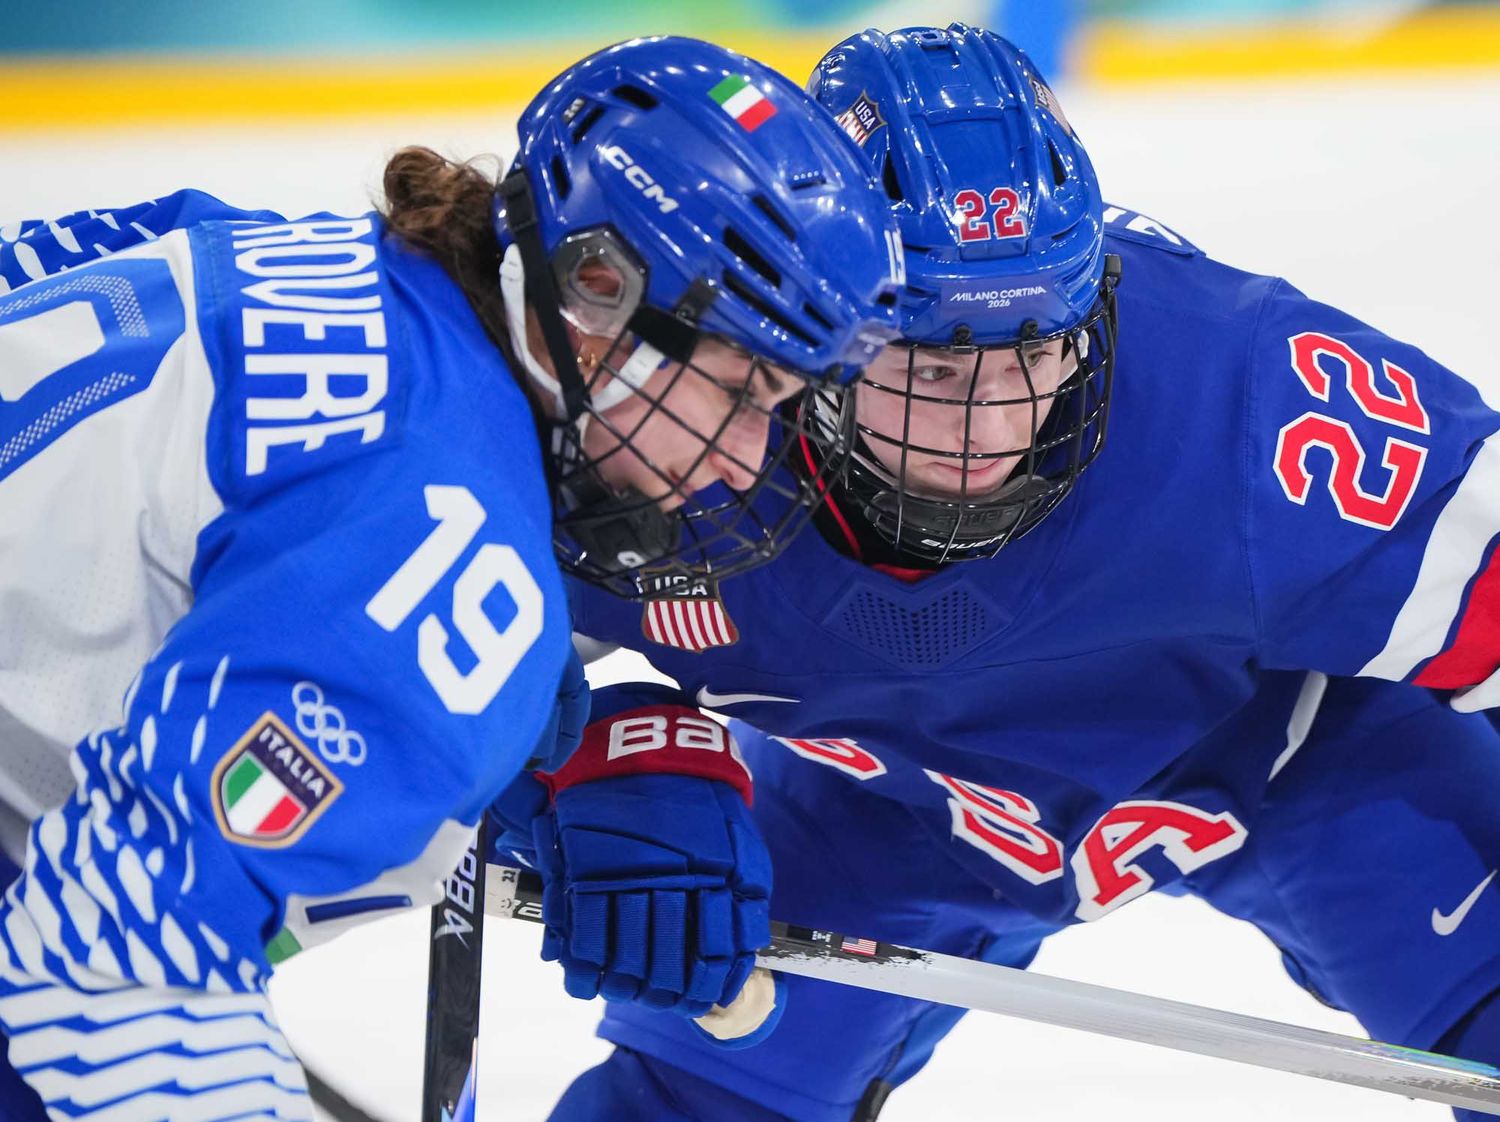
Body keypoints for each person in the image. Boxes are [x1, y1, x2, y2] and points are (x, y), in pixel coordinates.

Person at [502, 24, 1500, 1122]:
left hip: (1296, 755)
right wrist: (615, 754)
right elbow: (453, 671)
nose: (990, 427)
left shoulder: (1249, 395)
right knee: (690, 1106)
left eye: (1034, 351)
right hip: (883, 798)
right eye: (930, 366)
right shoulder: (678, 414)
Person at [0, 36, 903, 1121]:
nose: (747, 461)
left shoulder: (288, 249)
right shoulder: (442, 559)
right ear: (598, 292)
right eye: (740, 389)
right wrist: (430, 704)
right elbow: (112, 963)